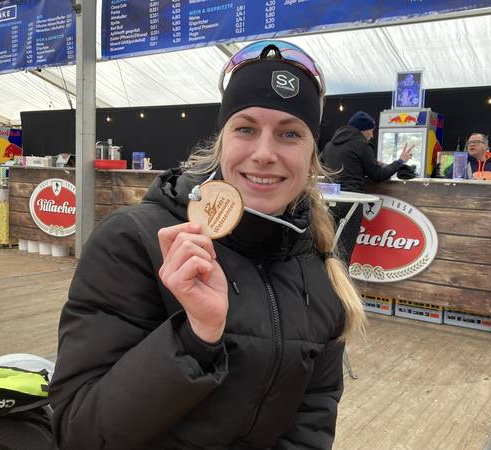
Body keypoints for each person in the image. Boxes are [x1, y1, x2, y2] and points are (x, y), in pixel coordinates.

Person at [49, 40, 366, 450]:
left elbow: (311, 422)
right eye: (246, 129)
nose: (265, 153)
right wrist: (195, 338)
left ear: (312, 157)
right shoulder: (133, 240)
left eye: (290, 134)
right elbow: (79, 431)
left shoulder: (319, 268)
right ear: (222, 143)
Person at [321, 110, 413, 262]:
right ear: (363, 129)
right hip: (351, 202)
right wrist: (400, 161)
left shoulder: (330, 145)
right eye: (371, 130)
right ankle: (339, 285)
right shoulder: (362, 144)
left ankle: (325, 283)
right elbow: (378, 176)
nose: (372, 135)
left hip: (329, 202)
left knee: (327, 250)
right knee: (343, 255)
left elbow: (331, 164)